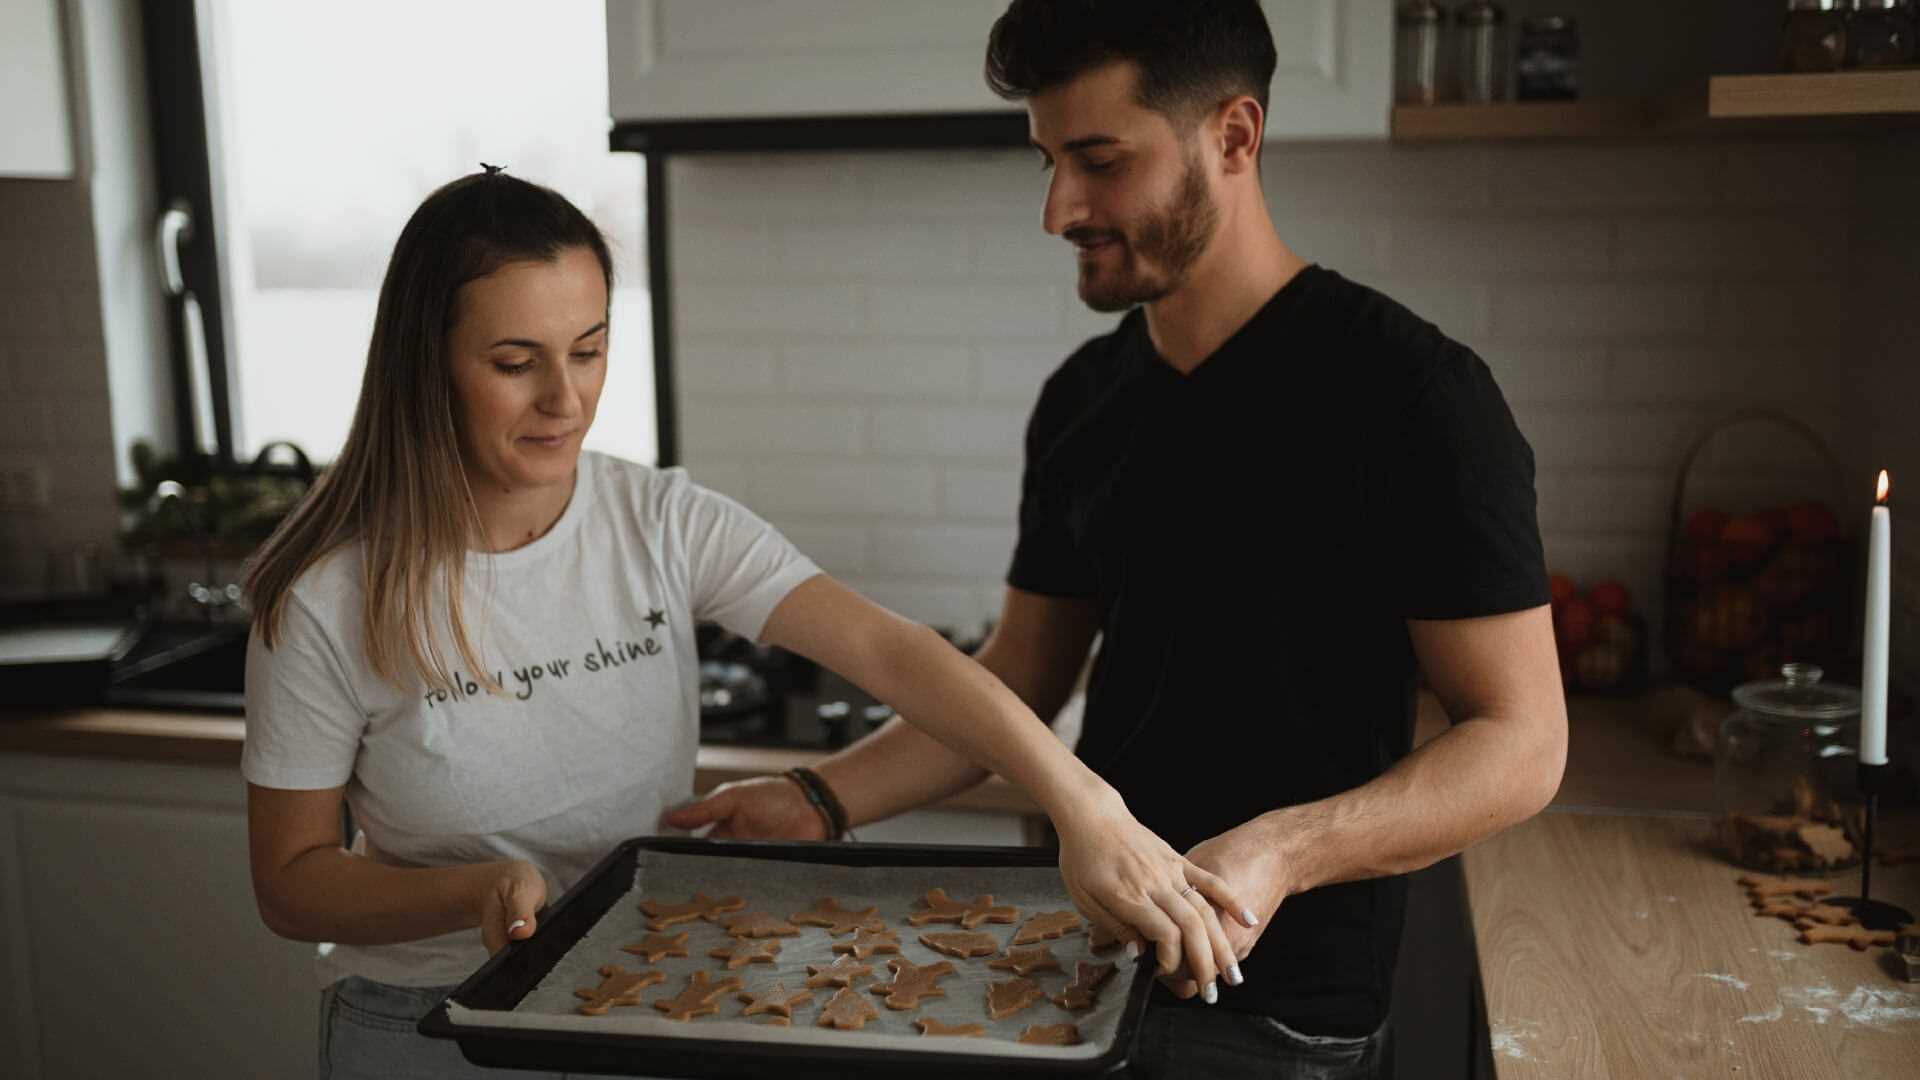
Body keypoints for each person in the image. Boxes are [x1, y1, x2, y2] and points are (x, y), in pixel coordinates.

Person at [663, 3, 1569, 1077]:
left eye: (1098, 161)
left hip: (1276, 1008)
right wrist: (820, 797)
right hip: (1079, 973)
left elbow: (1521, 743)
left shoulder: (1414, 396)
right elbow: (1017, 680)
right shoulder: (1086, 401)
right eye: (1049, 161)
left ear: (1234, 136)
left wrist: (1276, 852)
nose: (1058, 209)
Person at [240, 168, 1252, 1079]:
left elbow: (889, 650)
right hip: (425, 1028)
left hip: (630, 1001)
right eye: (515, 362)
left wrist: (1088, 808)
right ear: (427, 365)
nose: (566, 398)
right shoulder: (326, 597)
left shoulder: (660, 522)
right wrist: (470, 891)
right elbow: (290, 886)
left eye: (589, 351)